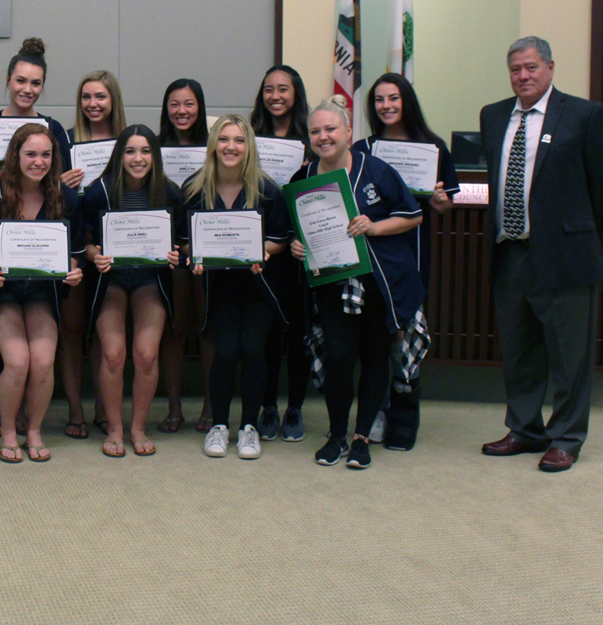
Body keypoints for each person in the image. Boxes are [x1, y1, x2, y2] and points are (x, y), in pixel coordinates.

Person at [478, 37, 603, 473]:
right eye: (516, 69)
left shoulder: (584, 114)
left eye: (532, 68)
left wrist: (579, 239)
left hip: (564, 256)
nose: (523, 76)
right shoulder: (494, 115)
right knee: (519, 352)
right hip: (510, 252)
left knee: (569, 356)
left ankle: (566, 437)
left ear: (551, 68)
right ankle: (524, 428)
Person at [289, 99, 423, 470]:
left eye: (331, 129)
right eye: (316, 131)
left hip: (379, 282)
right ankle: (336, 436)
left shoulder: (377, 171)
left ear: (349, 133)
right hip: (332, 283)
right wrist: (296, 245)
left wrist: (374, 226)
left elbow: (413, 216)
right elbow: (295, 231)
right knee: (340, 357)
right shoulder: (302, 179)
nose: (323, 136)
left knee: (375, 356)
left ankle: (362, 437)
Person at [354, 72, 460, 450]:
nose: (386, 106)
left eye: (394, 98)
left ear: (407, 101)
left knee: (405, 329)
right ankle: (378, 410)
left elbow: (445, 204)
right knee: (378, 332)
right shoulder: (362, 148)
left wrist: (442, 203)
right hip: (374, 256)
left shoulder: (433, 147)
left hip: (412, 252)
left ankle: (405, 410)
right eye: (380, 99)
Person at [0, 124, 83, 462]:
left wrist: (74, 270)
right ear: (15, 156)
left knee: (43, 361)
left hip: (41, 293)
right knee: (17, 361)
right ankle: (7, 431)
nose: (38, 161)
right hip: (1, 294)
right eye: (30, 154)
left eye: (46, 154)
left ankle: (33, 430)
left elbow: (73, 252)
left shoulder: (65, 197)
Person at [179, 115, 291, 460]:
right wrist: (195, 256)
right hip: (220, 287)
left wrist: (261, 252)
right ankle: (220, 424)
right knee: (225, 350)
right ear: (214, 145)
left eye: (239, 141)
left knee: (252, 349)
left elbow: (281, 239)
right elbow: (184, 241)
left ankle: (249, 427)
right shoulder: (194, 189)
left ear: (249, 147)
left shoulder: (267, 189)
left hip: (260, 286)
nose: (231, 147)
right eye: (224, 140)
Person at [83, 125, 182, 458]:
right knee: (112, 353)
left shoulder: (168, 192)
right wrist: (94, 255)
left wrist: (175, 253)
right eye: (130, 151)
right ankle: (114, 428)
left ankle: (138, 426)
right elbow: (83, 240)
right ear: (119, 155)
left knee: (147, 353)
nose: (137, 159)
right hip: (110, 280)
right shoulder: (99, 191)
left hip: (149, 280)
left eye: (144, 152)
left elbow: (181, 241)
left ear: (154, 156)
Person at [58, 70, 126, 438]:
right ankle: (74, 410)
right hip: (71, 243)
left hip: (112, 247)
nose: (93, 104)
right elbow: (41, 186)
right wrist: (60, 184)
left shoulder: (127, 142)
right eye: (86, 97)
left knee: (102, 330)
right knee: (70, 329)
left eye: (100, 97)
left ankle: (103, 407)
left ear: (113, 100)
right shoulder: (65, 142)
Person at [249, 65, 312, 442]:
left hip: (304, 247)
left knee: (300, 330)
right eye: (269, 89)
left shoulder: (310, 137)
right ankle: (268, 405)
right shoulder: (250, 137)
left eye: (283, 89)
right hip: (267, 246)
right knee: (268, 330)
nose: (275, 96)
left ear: (296, 94)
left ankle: (296, 408)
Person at [155, 79, 211, 434]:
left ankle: (210, 405)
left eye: (189, 104)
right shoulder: (153, 149)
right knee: (173, 333)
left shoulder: (215, 149)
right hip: (170, 253)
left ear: (200, 108)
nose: (182, 111)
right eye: (174, 104)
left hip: (208, 254)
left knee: (208, 330)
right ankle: (173, 408)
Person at [0, 37, 73, 187]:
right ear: (8, 81)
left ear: (42, 86)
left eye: (35, 83)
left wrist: (62, 183)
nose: (27, 90)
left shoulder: (53, 128)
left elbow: (57, 176)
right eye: (21, 81)